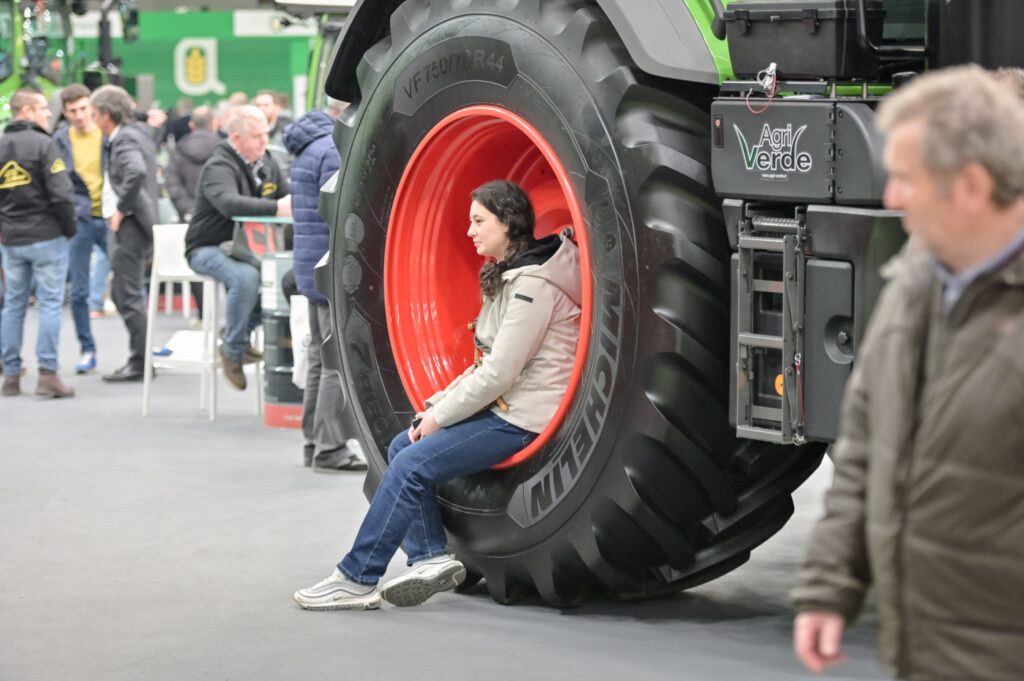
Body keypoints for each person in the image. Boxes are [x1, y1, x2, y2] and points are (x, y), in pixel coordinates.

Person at [792, 65, 1024, 680]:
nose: (891, 199)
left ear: (972, 187)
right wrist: (830, 584)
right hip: (925, 650)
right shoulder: (914, 281)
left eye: (907, 179)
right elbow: (866, 444)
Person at [293, 180, 581, 610]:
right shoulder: (514, 275)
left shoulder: (531, 287)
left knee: (410, 462)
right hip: (509, 406)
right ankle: (429, 558)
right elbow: (486, 365)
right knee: (401, 443)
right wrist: (434, 407)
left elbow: (499, 373)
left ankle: (357, 577)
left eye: (479, 221)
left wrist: (440, 417)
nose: (470, 231)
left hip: (524, 417)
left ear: (508, 222)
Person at [282, 106, 366, 472]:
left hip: (308, 265)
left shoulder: (305, 149)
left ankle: (313, 440)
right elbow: (337, 212)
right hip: (329, 266)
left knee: (318, 356)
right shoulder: (331, 149)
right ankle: (330, 447)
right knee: (333, 362)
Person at [184, 105, 291, 390]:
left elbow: (286, 198)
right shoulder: (218, 166)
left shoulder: (267, 163)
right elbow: (229, 204)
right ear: (236, 137)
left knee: (287, 279)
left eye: (265, 135)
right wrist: (276, 207)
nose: (263, 142)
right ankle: (232, 351)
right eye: (256, 136)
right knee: (246, 278)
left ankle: (237, 333)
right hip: (207, 247)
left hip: (247, 250)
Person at [0, 89, 77, 398]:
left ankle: (10, 376)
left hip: (12, 240)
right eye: (44, 108)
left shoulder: (1, 145)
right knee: (48, 303)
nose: (49, 113)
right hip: (46, 236)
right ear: (28, 111)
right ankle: (47, 375)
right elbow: (61, 194)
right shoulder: (46, 145)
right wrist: (69, 228)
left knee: (13, 305)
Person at [91, 85, 160, 383]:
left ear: (107, 115)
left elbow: (135, 172)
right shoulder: (136, 134)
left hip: (131, 225)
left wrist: (120, 208)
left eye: (94, 114)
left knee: (126, 293)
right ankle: (141, 359)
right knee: (125, 293)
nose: (92, 120)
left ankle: (141, 362)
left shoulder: (125, 140)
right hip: (139, 224)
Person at [55, 83, 108, 374]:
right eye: (73, 111)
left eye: (83, 109)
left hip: (112, 217)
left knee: (130, 285)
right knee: (79, 291)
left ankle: (141, 347)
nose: (79, 115)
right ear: (65, 112)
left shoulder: (107, 134)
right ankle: (87, 349)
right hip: (81, 219)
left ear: (92, 107)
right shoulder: (60, 139)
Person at [253, 90, 291, 177]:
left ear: (276, 107)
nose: (262, 109)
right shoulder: (250, 132)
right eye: (258, 105)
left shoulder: (287, 131)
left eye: (266, 105)